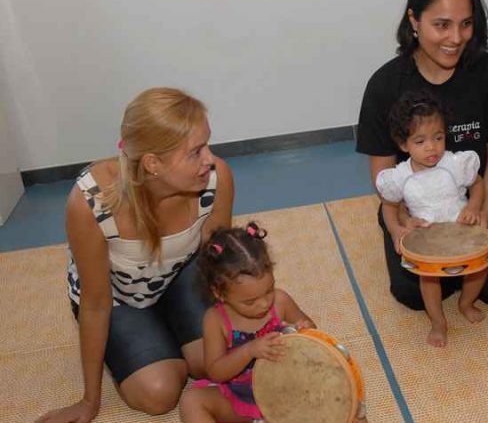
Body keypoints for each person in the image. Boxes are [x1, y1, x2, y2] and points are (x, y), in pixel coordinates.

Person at [37, 88, 235, 423]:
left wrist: (257, 326)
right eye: (196, 152)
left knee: (214, 362)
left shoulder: (217, 179)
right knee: (158, 392)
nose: (210, 159)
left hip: (179, 276)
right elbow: (96, 302)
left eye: (208, 144)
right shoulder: (91, 201)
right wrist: (89, 401)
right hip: (116, 298)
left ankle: (170, 329)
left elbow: (217, 268)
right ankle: (157, 336)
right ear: (153, 163)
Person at [357, 0, 488, 312]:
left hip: (480, 196)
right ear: (414, 21)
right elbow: (382, 174)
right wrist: (402, 221)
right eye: (442, 25)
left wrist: (481, 215)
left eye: (466, 24)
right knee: (412, 295)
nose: (455, 38)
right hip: (418, 204)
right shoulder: (384, 85)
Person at [376, 90, 487, 347]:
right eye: (420, 141)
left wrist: (473, 206)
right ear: (403, 145)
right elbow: (389, 206)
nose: (432, 147)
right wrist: (397, 228)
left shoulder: (455, 164)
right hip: (428, 239)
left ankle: (466, 302)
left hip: (461, 232)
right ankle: (438, 322)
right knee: (428, 279)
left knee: (481, 267)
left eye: (438, 137)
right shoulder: (400, 176)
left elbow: (479, 185)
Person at [178, 222, 315, 422]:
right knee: (191, 401)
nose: (263, 304)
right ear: (219, 293)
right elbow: (216, 372)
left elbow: (314, 334)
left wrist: (305, 331)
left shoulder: (280, 301)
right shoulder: (216, 320)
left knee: (342, 389)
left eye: (269, 290)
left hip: (289, 392)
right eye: (250, 301)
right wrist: (249, 351)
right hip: (241, 399)